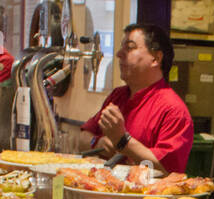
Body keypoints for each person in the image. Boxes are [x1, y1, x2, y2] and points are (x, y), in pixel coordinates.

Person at [78, 23, 193, 174]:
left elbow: (166, 170)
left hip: (145, 196)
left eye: (130, 47)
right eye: (121, 47)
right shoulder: (118, 96)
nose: (119, 54)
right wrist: (98, 142)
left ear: (155, 58)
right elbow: (82, 138)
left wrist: (123, 141)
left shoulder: (173, 110)